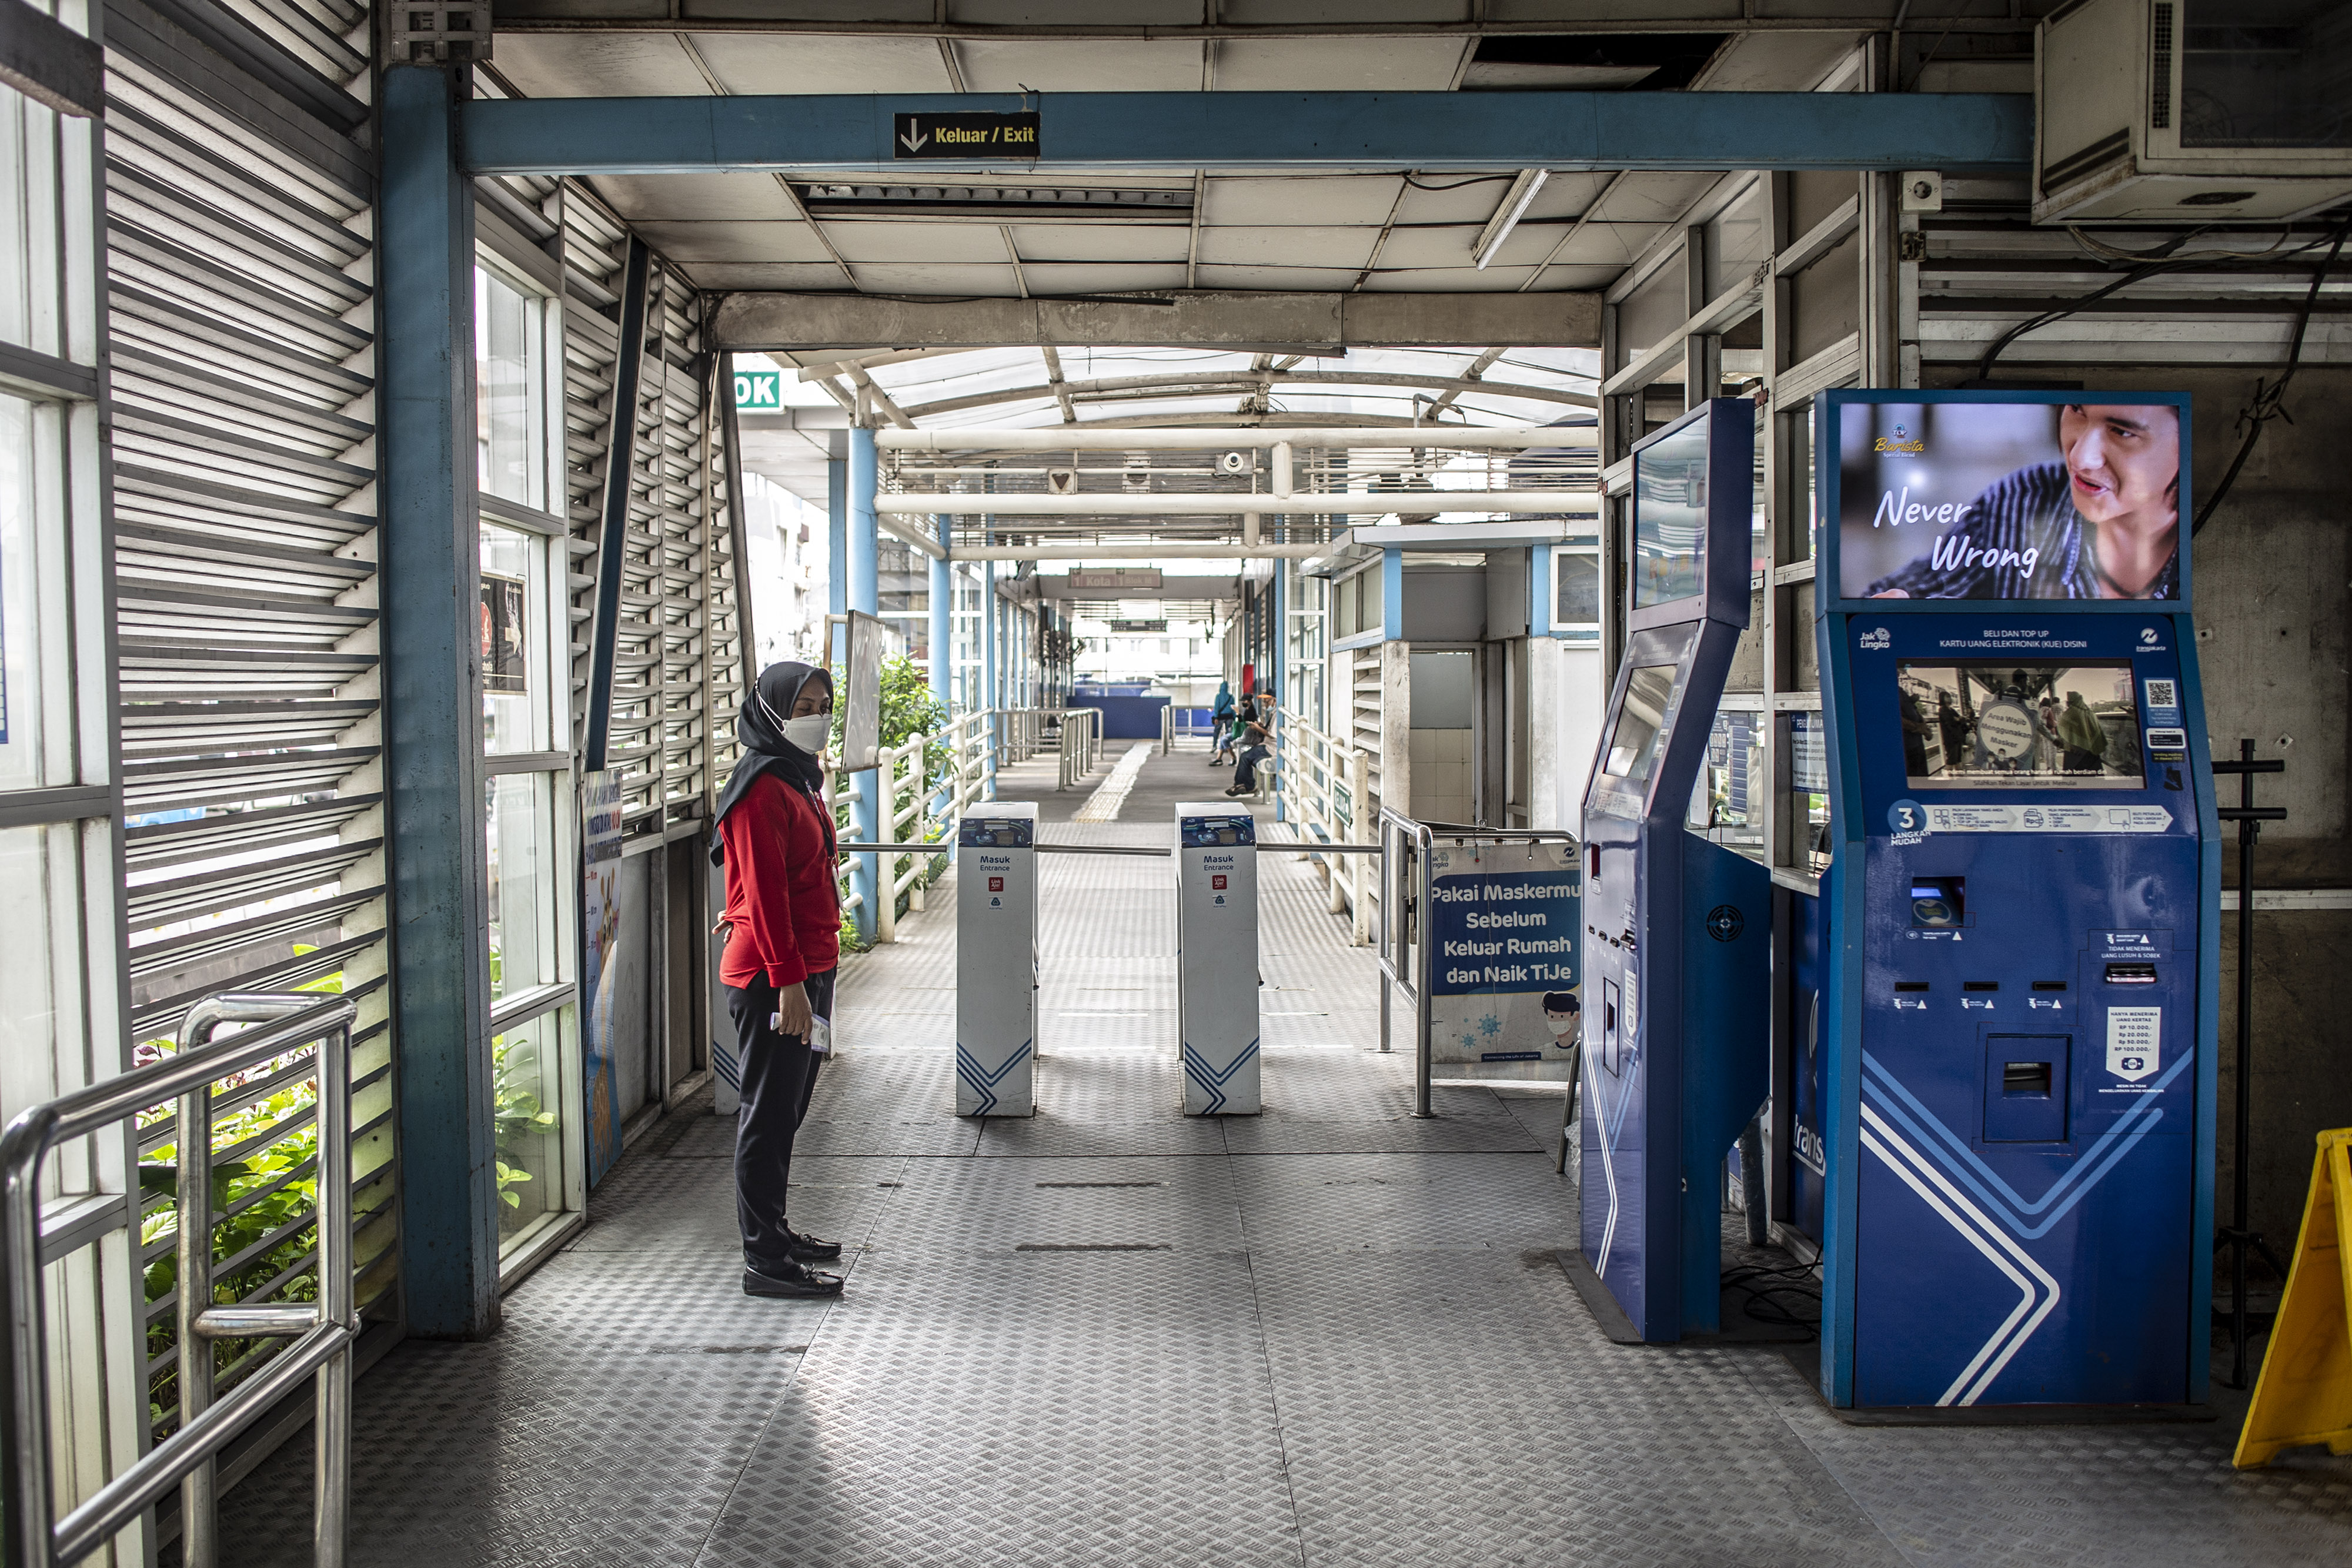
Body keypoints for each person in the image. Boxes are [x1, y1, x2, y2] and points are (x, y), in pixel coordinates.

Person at [711, 661, 847, 1299]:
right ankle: (764, 1259)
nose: (815, 716)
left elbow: (771, 879)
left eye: (822, 704)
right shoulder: (762, 787)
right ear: (769, 712)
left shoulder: (797, 778)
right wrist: (789, 981)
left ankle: (776, 1229)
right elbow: (766, 897)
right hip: (776, 981)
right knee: (767, 1116)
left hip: (807, 968)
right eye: (802, 706)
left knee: (788, 1109)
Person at [1866, 404, 2181, 599]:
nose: (2079, 457)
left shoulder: (2208, 568)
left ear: (2183, 449)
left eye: (2122, 432)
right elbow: (1899, 594)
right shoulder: (2021, 499)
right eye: (2077, 411)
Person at [1226, 695, 1274, 798]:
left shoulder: (1277, 715)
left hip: (1271, 747)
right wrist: (1260, 726)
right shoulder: (1274, 714)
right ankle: (1243, 784)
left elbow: (1272, 734)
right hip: (1266, 744)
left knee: (1245, 757)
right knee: (1246, 756)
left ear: (1274, 699)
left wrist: (1258, 728)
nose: (1265, 705)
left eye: (1267, 702)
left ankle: (1247, 785)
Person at [2056, 689, 2109, 775]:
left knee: (2076, 777)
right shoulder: (2091, 713)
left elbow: (2062, 730)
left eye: (2068, 701)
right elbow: (2097, 731)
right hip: (2092, 751)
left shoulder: (2070, 713)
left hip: (2076, 752)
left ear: (2070, 702)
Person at [1935, 693, 1971, 777]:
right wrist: (1958, 719)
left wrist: (1958, 719)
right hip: (1950, 739)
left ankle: (1958, 776)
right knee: (1952, 760)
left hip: (1956, 737)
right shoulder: (1943, 710)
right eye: (1947, 697)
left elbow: (1960, 719)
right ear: (1942, 699)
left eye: (1949, 697)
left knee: (1957, 759)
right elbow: (1951, 723)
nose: (1949, 698)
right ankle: (1948, 778)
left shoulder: (1951, 710)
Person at [1209, 681, 1236, 763]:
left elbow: (1216, 707)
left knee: (1217, 732)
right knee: (1229, 733)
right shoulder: (1231, 697)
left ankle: (1214, 746)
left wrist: (1216, 717)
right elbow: (1233, 708)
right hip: (1229, 717)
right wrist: (1234, 717)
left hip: (1220, 717)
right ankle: (1228, 747)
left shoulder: (1219, 696)